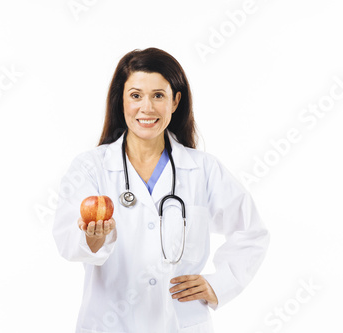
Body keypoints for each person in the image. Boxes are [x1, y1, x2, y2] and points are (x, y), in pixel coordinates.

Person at [53, 47, 270, 333]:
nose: (147, 108)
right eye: (135, 95)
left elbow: (251, 232)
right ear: (121, 101)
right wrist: (93, 239)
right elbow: (70, 242)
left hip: (180, 323)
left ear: (175, 101)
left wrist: (219, 284)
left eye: (158, 95)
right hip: (109, 323)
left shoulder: (203, 169)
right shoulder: (92, 167)